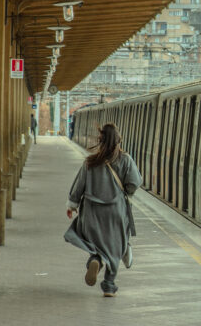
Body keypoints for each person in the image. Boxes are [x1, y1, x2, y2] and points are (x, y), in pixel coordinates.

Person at [64, 123, 142, 297]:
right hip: (116, 212)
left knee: (96, 244)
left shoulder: (90, 161)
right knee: (116, 247)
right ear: (118, 140)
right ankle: (108, 284)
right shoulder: (126, 160)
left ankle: (96, 260)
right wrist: (125, 192)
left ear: (101, 140)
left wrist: (72, 206)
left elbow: (78, 187)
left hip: (92, 212)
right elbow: (134, 183)